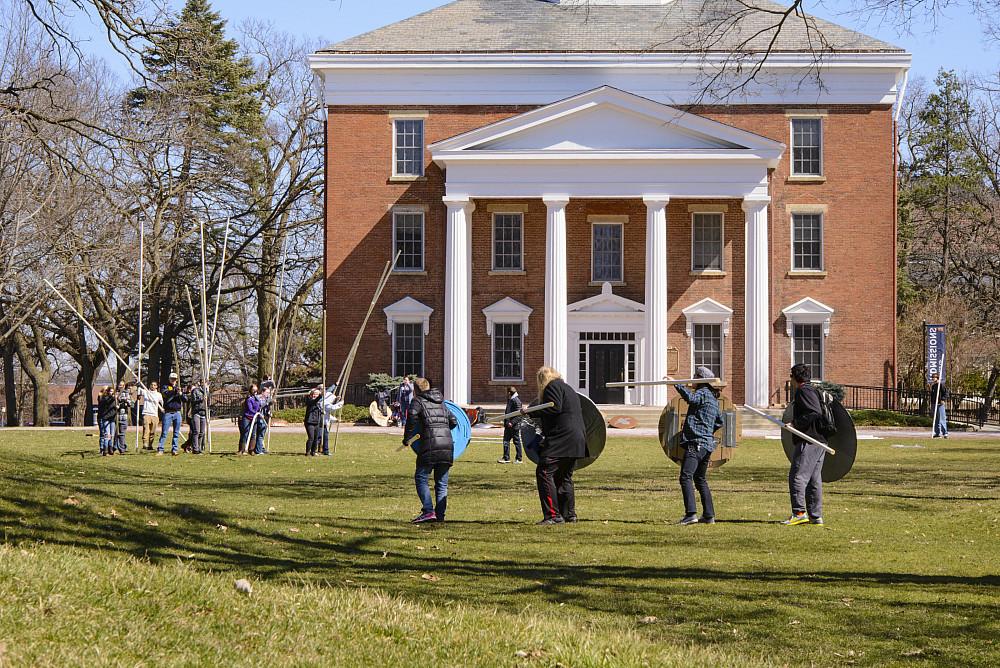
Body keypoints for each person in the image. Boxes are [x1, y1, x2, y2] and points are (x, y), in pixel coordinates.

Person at [530, 367, 586, 525]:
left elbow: (554, 407)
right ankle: (569, 514)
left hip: (562, 439)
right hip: (576, 438)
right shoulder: (568, 388)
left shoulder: (552, 386)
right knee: (563, 477)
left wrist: (531, 412)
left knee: (544, 472)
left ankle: (553, 515)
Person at [673, 367, 724, 526]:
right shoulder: (713, 398)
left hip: (696, 443)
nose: (692, 379)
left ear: (700, 379)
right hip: (707, 444)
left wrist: (677, 385)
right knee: (700, 479)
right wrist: (707, 431)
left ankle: (691, 514)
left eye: (695, 376)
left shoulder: (702, 392)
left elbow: (692, 399)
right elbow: (719, 421)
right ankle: (709, 516)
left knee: (685, 477)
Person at [403, 377, 457, 523]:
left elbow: (411, 419)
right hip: (447, 445)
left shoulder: (417, 401)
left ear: (416, 389)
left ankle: (428, 511)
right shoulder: (442, 402)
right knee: (442, 483)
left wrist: (407, 438)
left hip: (429, 444)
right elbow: (454, 421)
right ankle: (440, 516)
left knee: (421, 477)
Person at [781, 364, 828, 526]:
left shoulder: (803, 391)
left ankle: (799, 513)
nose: (790, 378)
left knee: (798, 476)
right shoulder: (812, 390)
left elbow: (815, 412)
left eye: (791, 375)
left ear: (795, 376)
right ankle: (816, 516)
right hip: (819, 441)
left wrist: (795, 424)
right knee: (814, 479)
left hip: (809, 440)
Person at [157, 372, 184, 456]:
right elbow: (166, 394)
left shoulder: (178, 388)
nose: (173, 380)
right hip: (168, 412)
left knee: (176, 432)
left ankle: (174, 449)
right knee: (164, 432)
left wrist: (181, 394)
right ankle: (160, 449)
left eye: (174, 379)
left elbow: (185, 399)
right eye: (172, 379)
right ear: (169, 379)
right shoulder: (165, 387)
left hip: (177, 412)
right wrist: (174, 391)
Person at [498, 386, 523, 464]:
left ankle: (519, 459)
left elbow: (519, 415)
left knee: (516, 442)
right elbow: (508, 412)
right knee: (506, 441)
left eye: (507, 393)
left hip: (514, 426)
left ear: (509, 392)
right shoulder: (510, 399)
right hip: (508, 426)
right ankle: (506, 458)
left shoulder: (516, 401)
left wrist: (512, 422)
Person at [185, 378, 208, 454]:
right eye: (203, 382)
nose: (205, 384)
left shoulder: (207, 392)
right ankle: (195, 449)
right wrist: (201, 399)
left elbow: (208, 403)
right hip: (196, 413)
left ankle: (200, 447)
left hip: (203, 413)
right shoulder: (195, 391)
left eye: (206, 383)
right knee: (196, 431)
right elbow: (193, 401)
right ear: (200, 383)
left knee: (202, 432)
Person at [138, 381, 163, 450]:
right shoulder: (146, 392)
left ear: (156, 386)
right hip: (146, 413)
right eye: (151, 384)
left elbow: (162, 403)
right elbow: (140, 391)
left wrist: (163, 409)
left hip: (155, 415)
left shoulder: (158, 395)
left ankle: (150, 444)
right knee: (146, 430)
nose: (153, 386)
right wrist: (139, 386)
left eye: (154, 385)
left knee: (153, 431)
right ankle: (145, 444)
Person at [237, 383, 260, 455]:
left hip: (254, 418)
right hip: (247, 417)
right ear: (251, 390)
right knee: (245, 433)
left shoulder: (257, 399)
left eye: (256, 390)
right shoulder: (248, 399)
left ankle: (251, 450)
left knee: (253, 434)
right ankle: (241, 450)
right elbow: (250, 409)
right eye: (253, 390)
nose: (255, 391)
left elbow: (258, 407)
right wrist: (255, 412)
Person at [97, 386, 117, 456]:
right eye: (110, 391)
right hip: (106, 418)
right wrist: (113, 397)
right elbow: (106, 401)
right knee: (107, 434)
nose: (111, 393)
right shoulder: (106, 398)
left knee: (112, 434)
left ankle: (110, 448)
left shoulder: (115, 399)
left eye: (112, 391)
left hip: (113, 419)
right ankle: (105, 449)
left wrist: (118, 406)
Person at [113, 381, 133, 454]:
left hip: (123, 416)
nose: (121, 386)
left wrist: (127, 401)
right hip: (115, 416)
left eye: (122, 385)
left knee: (122, 433)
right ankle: (114, 447)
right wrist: (115, 400)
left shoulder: (127, 394)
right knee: (115, 433)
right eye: (120, 385)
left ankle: (122, 448)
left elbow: (131, 404)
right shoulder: (114, 393)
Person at [304, 385, 324, 456]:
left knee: (316, 438)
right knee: (311, 437)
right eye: (314, 394)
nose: (314, 395)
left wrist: (321, 412)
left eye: (316, 394)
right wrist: (320, 396)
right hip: (309, 422)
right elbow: (314, 402)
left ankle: (313, 451)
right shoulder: (309, 400)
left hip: (316, 422)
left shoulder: (319, 404)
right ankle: (307, 452)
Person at [929, 373, 950, 439]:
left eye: (934, 377)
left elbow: (946, 393)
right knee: (936, 419)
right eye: (932, 377)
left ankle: (945, 433)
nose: (933, 378)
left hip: (940, 404)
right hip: (934, 404)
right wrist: (931, 403)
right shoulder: (933, 386)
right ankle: (937, 433)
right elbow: (932, 396)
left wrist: (943, 399)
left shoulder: (941, 385)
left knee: (942, 419)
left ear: (937, 378)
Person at [253, 386, 272, 455]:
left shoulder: (267, 399)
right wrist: (267, 402)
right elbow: (259, 406)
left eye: (269, 393)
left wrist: (269, 411)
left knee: (262, 434)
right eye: (267, 392)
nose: (268, 394)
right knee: (260, 434)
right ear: (262, 392)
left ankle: (261, 448)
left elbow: (268, 408)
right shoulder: (258, 398)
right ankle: (258, 450)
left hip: (265, 418)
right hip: (260, 418)